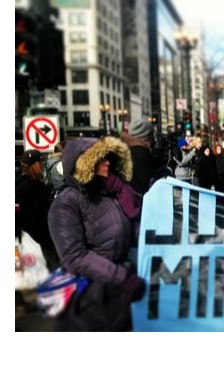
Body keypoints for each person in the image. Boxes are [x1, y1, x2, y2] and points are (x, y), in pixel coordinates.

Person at [47, 136, 145, 331]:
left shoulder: (114, 193)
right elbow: (74, 256)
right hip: (89, 301)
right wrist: (122, 278)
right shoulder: (66, 203)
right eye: (101, 159)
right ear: (85, 165)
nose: (107, 162)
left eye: (108, 157)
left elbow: (139, 229)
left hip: (121, 297)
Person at [15, 149, 58, 270]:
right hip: (39, 239)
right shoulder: (38, 188)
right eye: (41, 162)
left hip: (20, 239)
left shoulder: (16, 183)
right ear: (36, 165)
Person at [121, 119, 162, 195]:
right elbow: (146, 184)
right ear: (147, 136)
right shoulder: (141, 153)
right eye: (152, 135)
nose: (154, 139)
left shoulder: (127, 150)